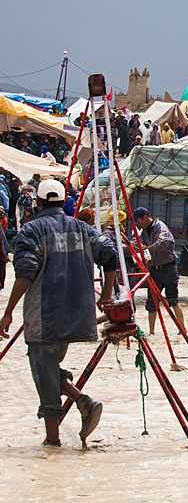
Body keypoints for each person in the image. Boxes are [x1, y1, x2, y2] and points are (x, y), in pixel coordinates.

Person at [0, 179, 118, 447]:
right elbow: (110, 255)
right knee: (49, 368)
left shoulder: (31, 231)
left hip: (45, 316)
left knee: (44, 374)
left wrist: (7, 313)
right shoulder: (82, 228)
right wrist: (107, 294)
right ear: (62, 201)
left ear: (38, 203)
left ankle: (54, 441)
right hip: (76, 315)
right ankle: (82, 401)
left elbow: (25, 274)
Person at [132, 207, 185, 335]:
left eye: (138, 221)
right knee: (152, 303)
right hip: (154, 270)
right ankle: (152, 332)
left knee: (173, 300)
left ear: (145, 217)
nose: (138, 225)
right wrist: (135, 245)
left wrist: (146, 248)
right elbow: (137, 243)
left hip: (168, 269)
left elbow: (162, 244)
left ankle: (182, 329)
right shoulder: (144, 232)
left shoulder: (161, 227)